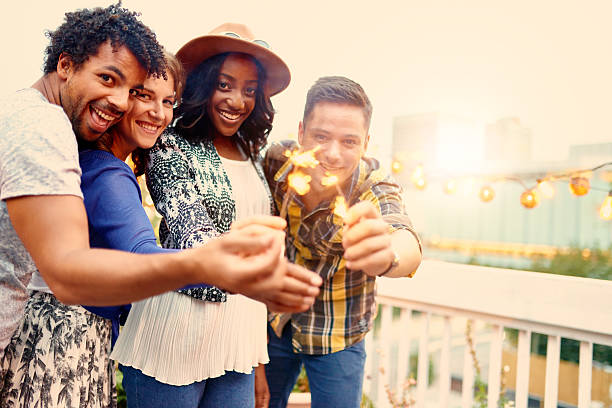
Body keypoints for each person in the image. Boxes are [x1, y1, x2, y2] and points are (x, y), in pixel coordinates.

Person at [0, 3, 319, 400]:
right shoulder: (57, 136)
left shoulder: (250, 157)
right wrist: (213, 262)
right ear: (65, 65)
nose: (118, 101)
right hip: (79, 344)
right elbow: (83, 265)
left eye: (167, 101)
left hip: (213, 342)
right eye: (112, 81)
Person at [110, 23, 299, 408]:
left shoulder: (255, 156)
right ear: (203, 84)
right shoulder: (169, 145)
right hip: (176, 335)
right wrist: (259, 277)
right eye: (225, 85)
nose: (237, 101)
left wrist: (259, 357)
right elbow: (189, 230)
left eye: (249, 90)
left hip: (238, 344)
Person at [0, 51, 186, 407]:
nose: (159, 113)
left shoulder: (90, 161)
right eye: (143, 95)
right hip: (63, 343)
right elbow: (141, 254)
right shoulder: (106, 173)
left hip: (58, 336)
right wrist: (220, 265)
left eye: (169, 101)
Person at [263, 76, 423, 408]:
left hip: (340, 334)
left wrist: (388, 257)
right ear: (301, 132)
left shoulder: (374, 185)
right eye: (321, 137)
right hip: (275, 323)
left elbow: (405, 240)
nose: (333, 155)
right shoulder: (277, 162)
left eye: (349, 141)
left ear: (365, 143)